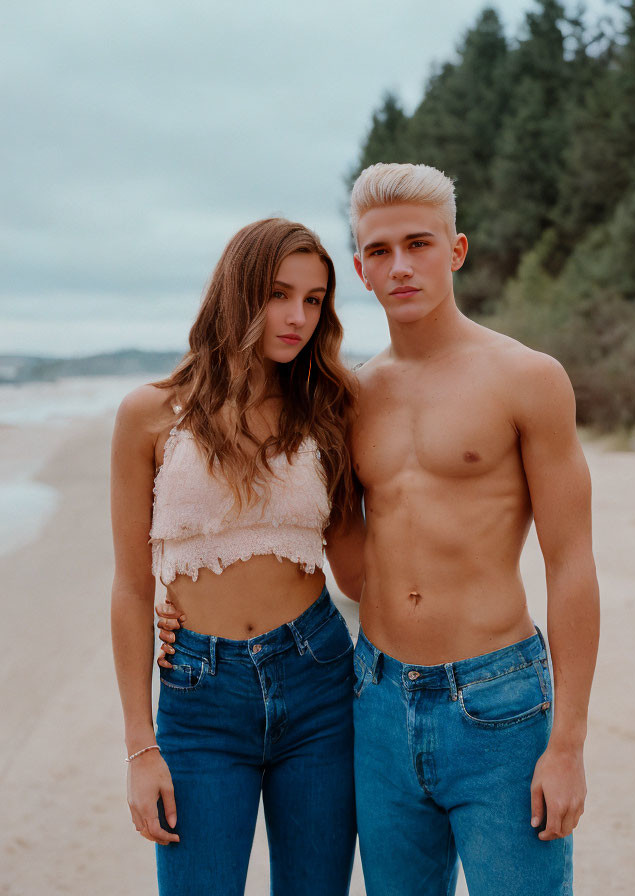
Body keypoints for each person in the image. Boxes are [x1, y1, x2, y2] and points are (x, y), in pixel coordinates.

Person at [157, 163, 599, 896]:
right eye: (381, 252)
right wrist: (174, 594)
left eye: (419, 244)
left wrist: (570, 743)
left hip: (499, 701)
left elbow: (573, 563)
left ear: (455, 251)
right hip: (377, 698)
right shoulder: (346, 398)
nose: (401, 266)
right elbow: (283, 516)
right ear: (359, 269)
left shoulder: (528, 379)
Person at [110, 218, 365, 896]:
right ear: (237, 292)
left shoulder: (327, 411)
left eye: (314, 300)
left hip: (319, 681)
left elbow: (360, 571)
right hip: (198, 696)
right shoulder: (149, 416)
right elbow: (132, 590)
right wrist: (141, 747)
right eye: (280, 294)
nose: (298, 317)